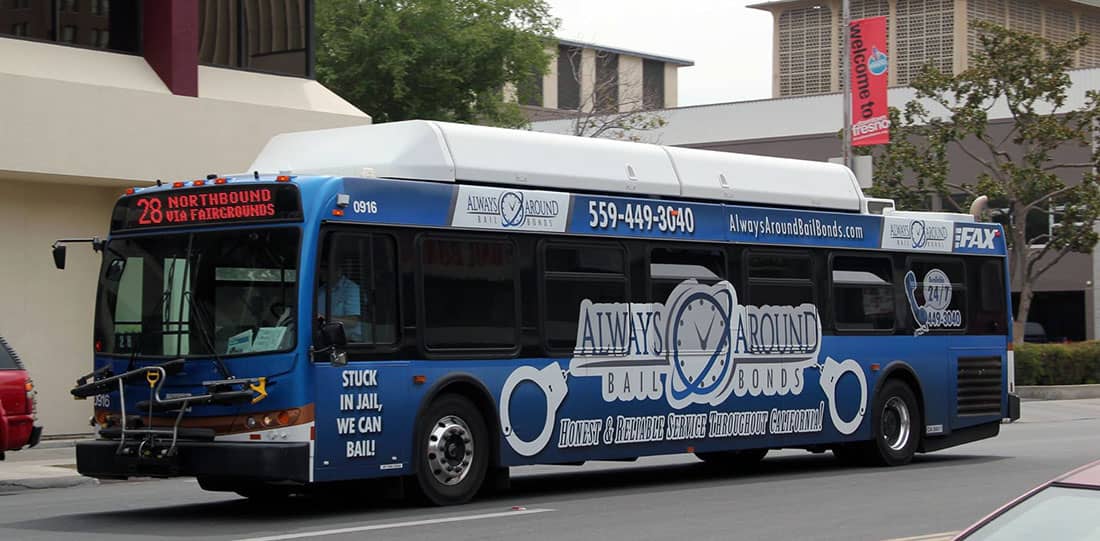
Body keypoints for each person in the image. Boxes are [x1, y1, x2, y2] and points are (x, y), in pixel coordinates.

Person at [317, 269, 366, 342]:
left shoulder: (351, 289)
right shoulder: (320, 291)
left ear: (339, 272)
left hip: (350, 343)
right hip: (325, 340)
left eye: (325, 268)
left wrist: (323, 318)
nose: (321, 272)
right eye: (321, 268)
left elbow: (352, 322)